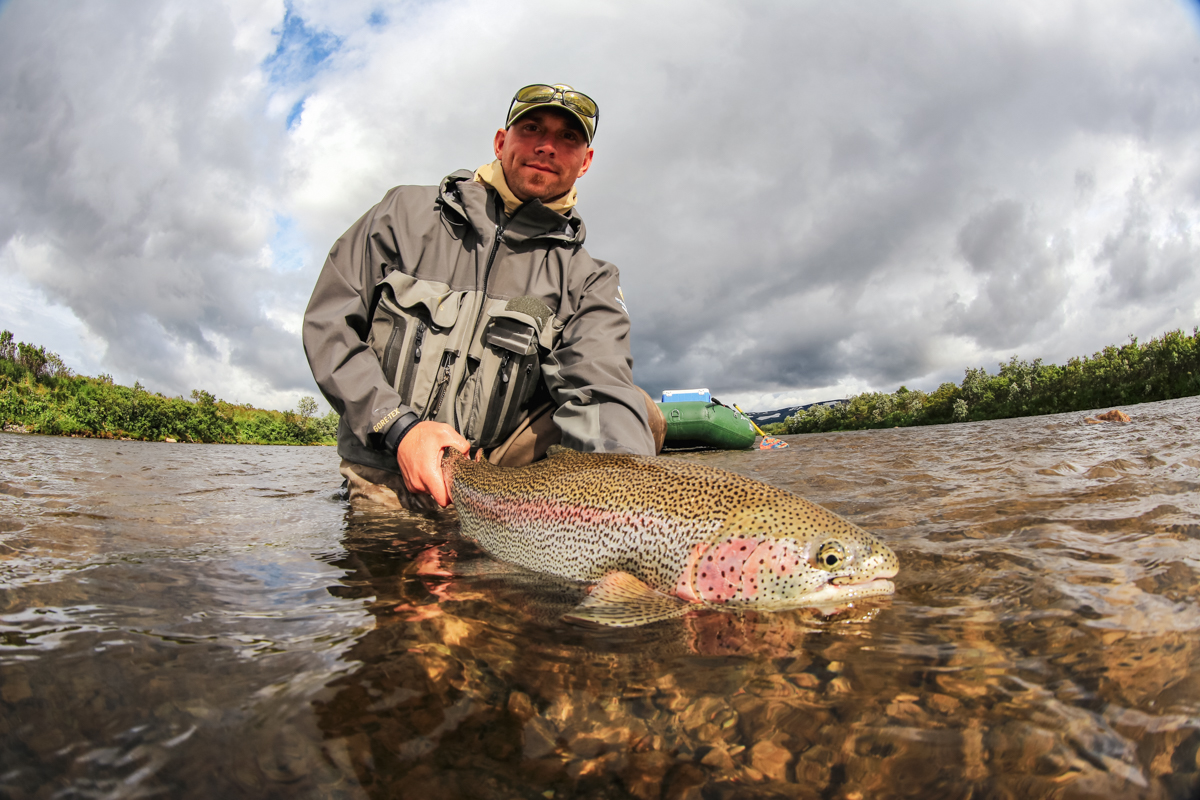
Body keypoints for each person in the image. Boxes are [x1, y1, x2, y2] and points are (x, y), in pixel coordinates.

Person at [303, 83, 666, 512]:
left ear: (585, 162)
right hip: (388, 459)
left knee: (639, 410)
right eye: (531, 128)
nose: (547, 146)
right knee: (390, 569)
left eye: (568, 138)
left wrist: (629, 511)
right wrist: (400, 429)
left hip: (499, 475)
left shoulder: (589, 279)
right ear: (500, 142)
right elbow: (330, 325)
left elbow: (600, 389)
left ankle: (576, 522)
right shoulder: (402, 215)